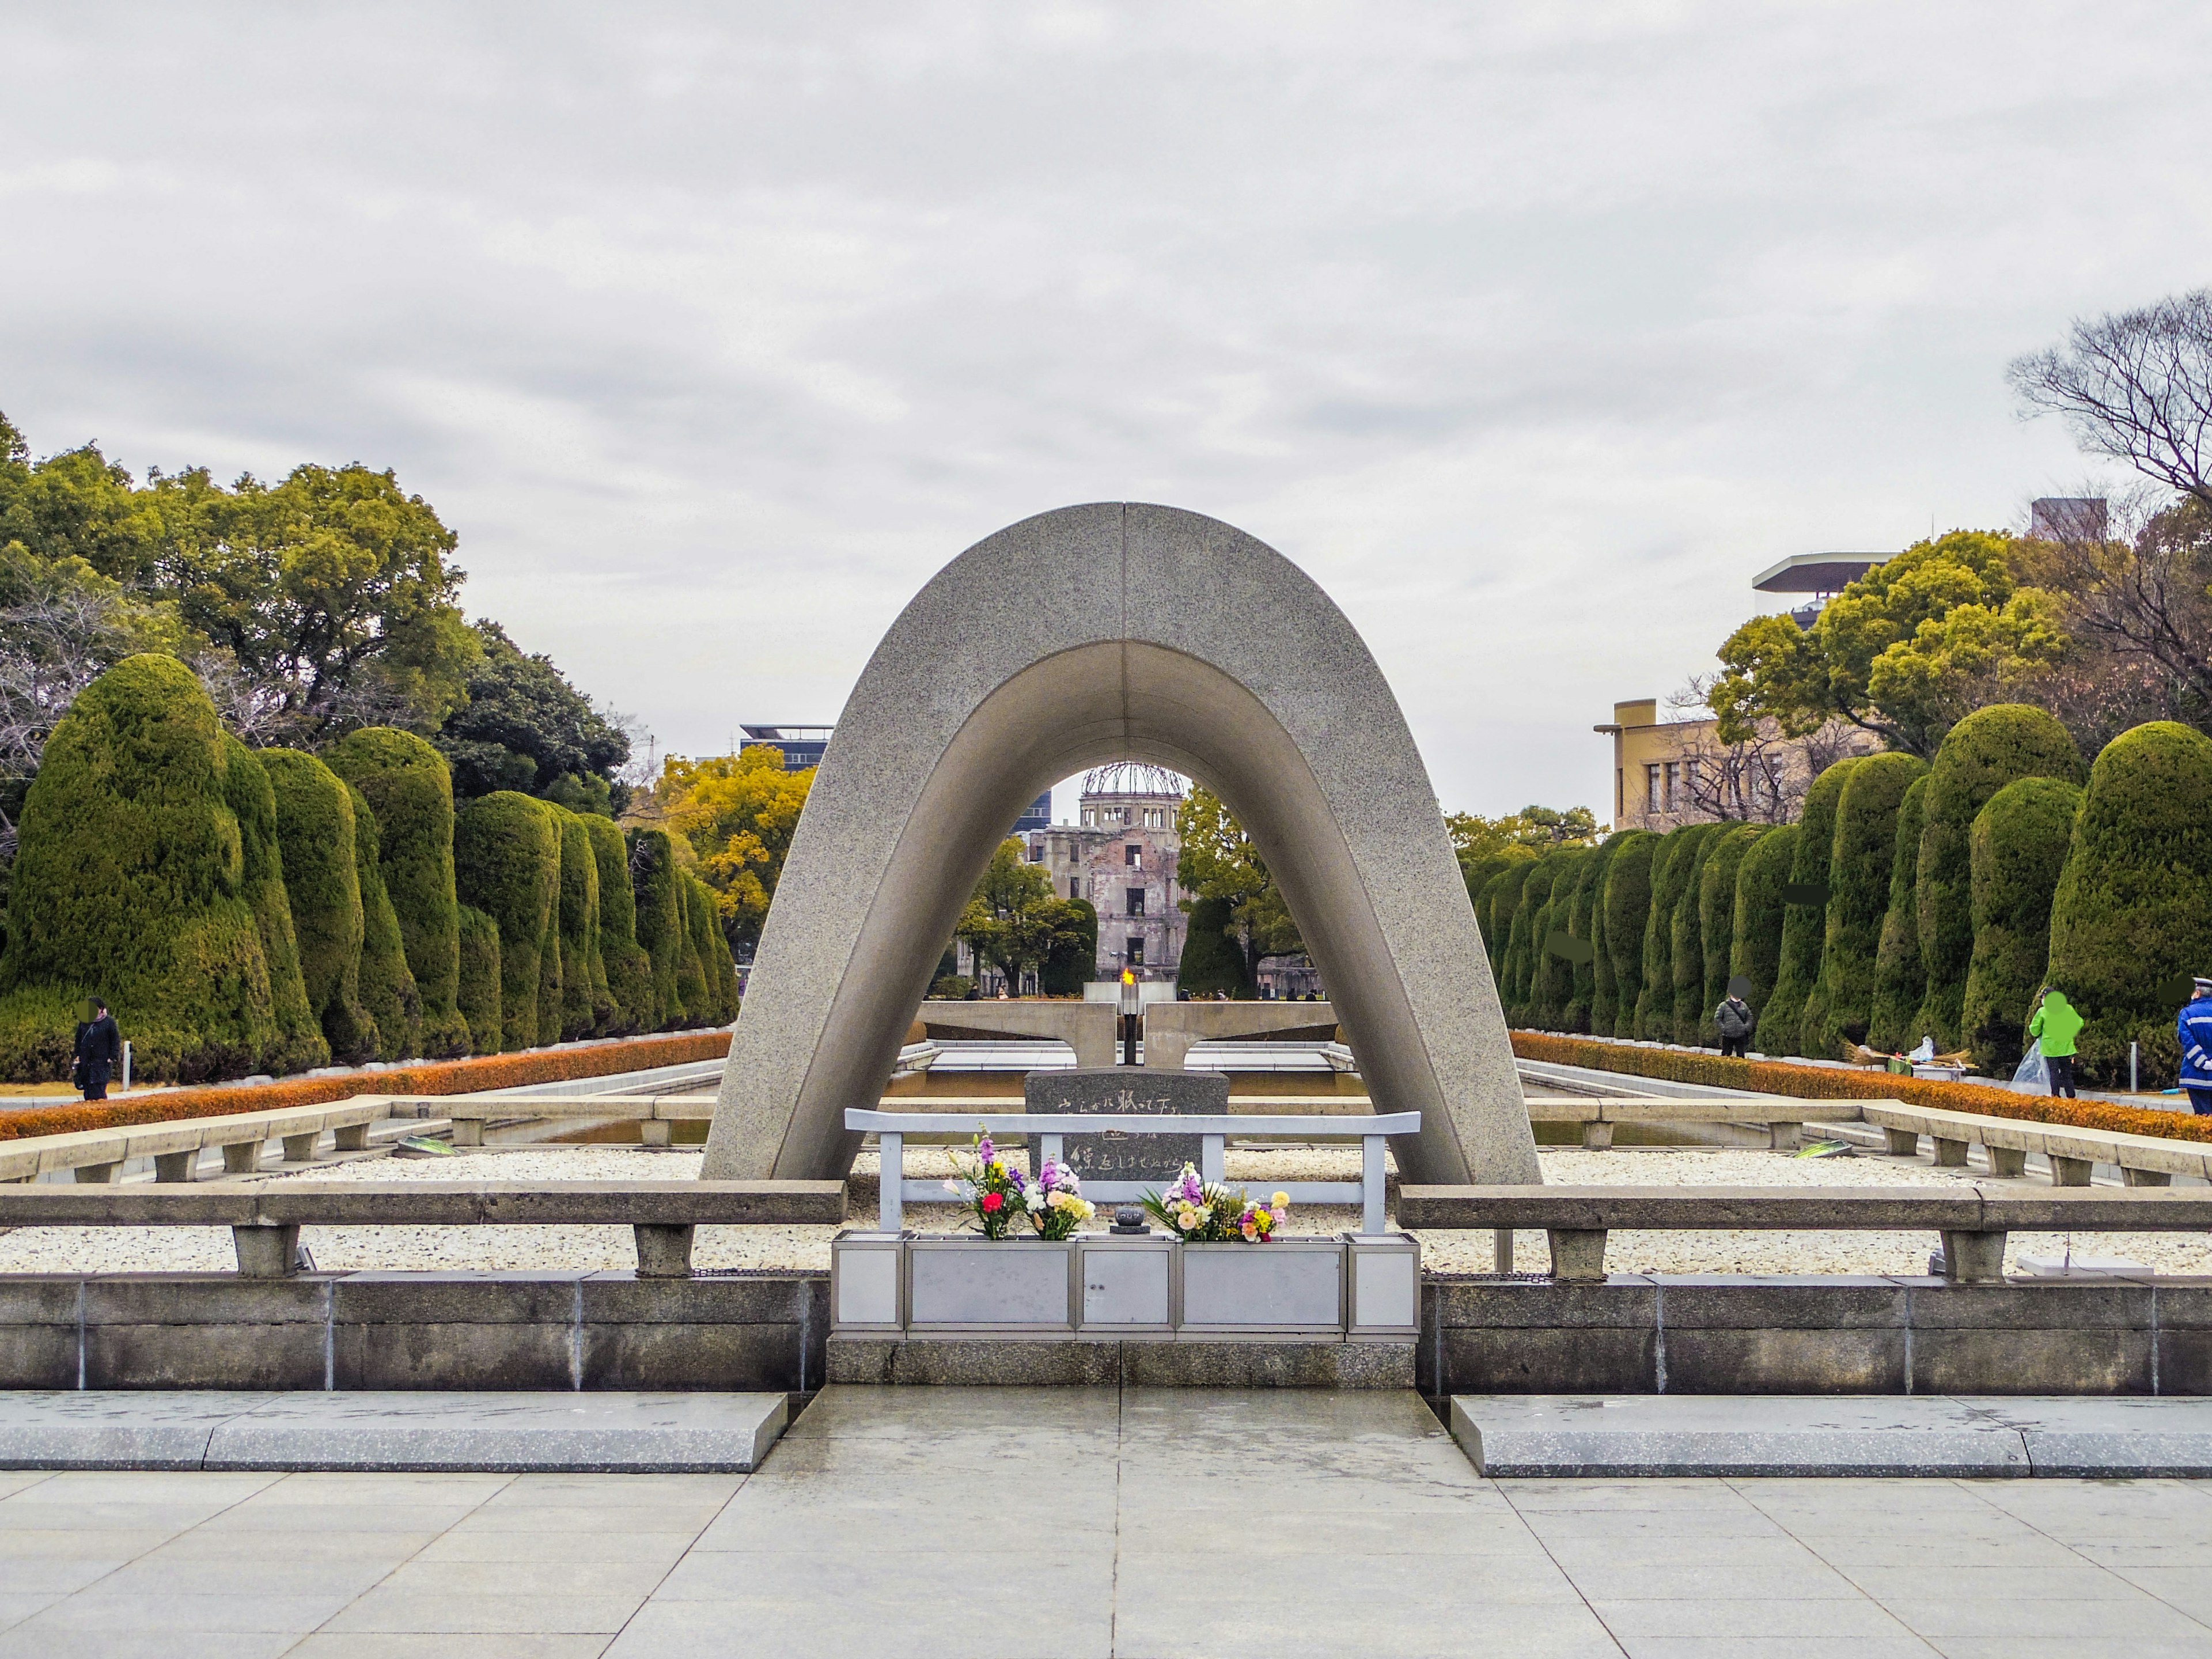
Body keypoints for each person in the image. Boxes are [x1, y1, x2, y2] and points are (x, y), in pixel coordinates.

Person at [2028, 987, 2082, 1100]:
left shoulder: (2043, 1011)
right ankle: (2071, 1098)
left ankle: (2056, 1097)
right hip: (2066, 1047)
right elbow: (2079, 1023)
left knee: (2054, 1074)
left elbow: (2034, 1030)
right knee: (2067, 1074)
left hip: (2050, 1049)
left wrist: (2040, 1032)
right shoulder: (2068, 1009)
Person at [71, 998, 123, 1101]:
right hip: (86, 1062)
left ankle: (100, 1113)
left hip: (102, 1062)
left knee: (99, 1091)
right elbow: (79, 1039)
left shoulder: (109, 1022)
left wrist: (112, 1057)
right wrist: (77, 1055)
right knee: (88, 1090)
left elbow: (115, 1041)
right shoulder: (84, 1021)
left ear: (100, 1009)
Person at [2179, 975, 2212, 1115]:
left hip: (2196, 1074)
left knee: (2203, 1117)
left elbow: (2187, 1041)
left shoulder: (2187, 1013)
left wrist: (2203, 1062)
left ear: (2197, 993)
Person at [1714, 990, 1755, 1059]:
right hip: (1727, 1035)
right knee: (1726, 1055)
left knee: (1741, 1056)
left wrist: (1746, 1027)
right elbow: (1717, 1018)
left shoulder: (1744, 1006)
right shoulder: (1723, 1005)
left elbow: (1750, 1017)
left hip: (1741, 1034)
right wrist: (1724, 1028)